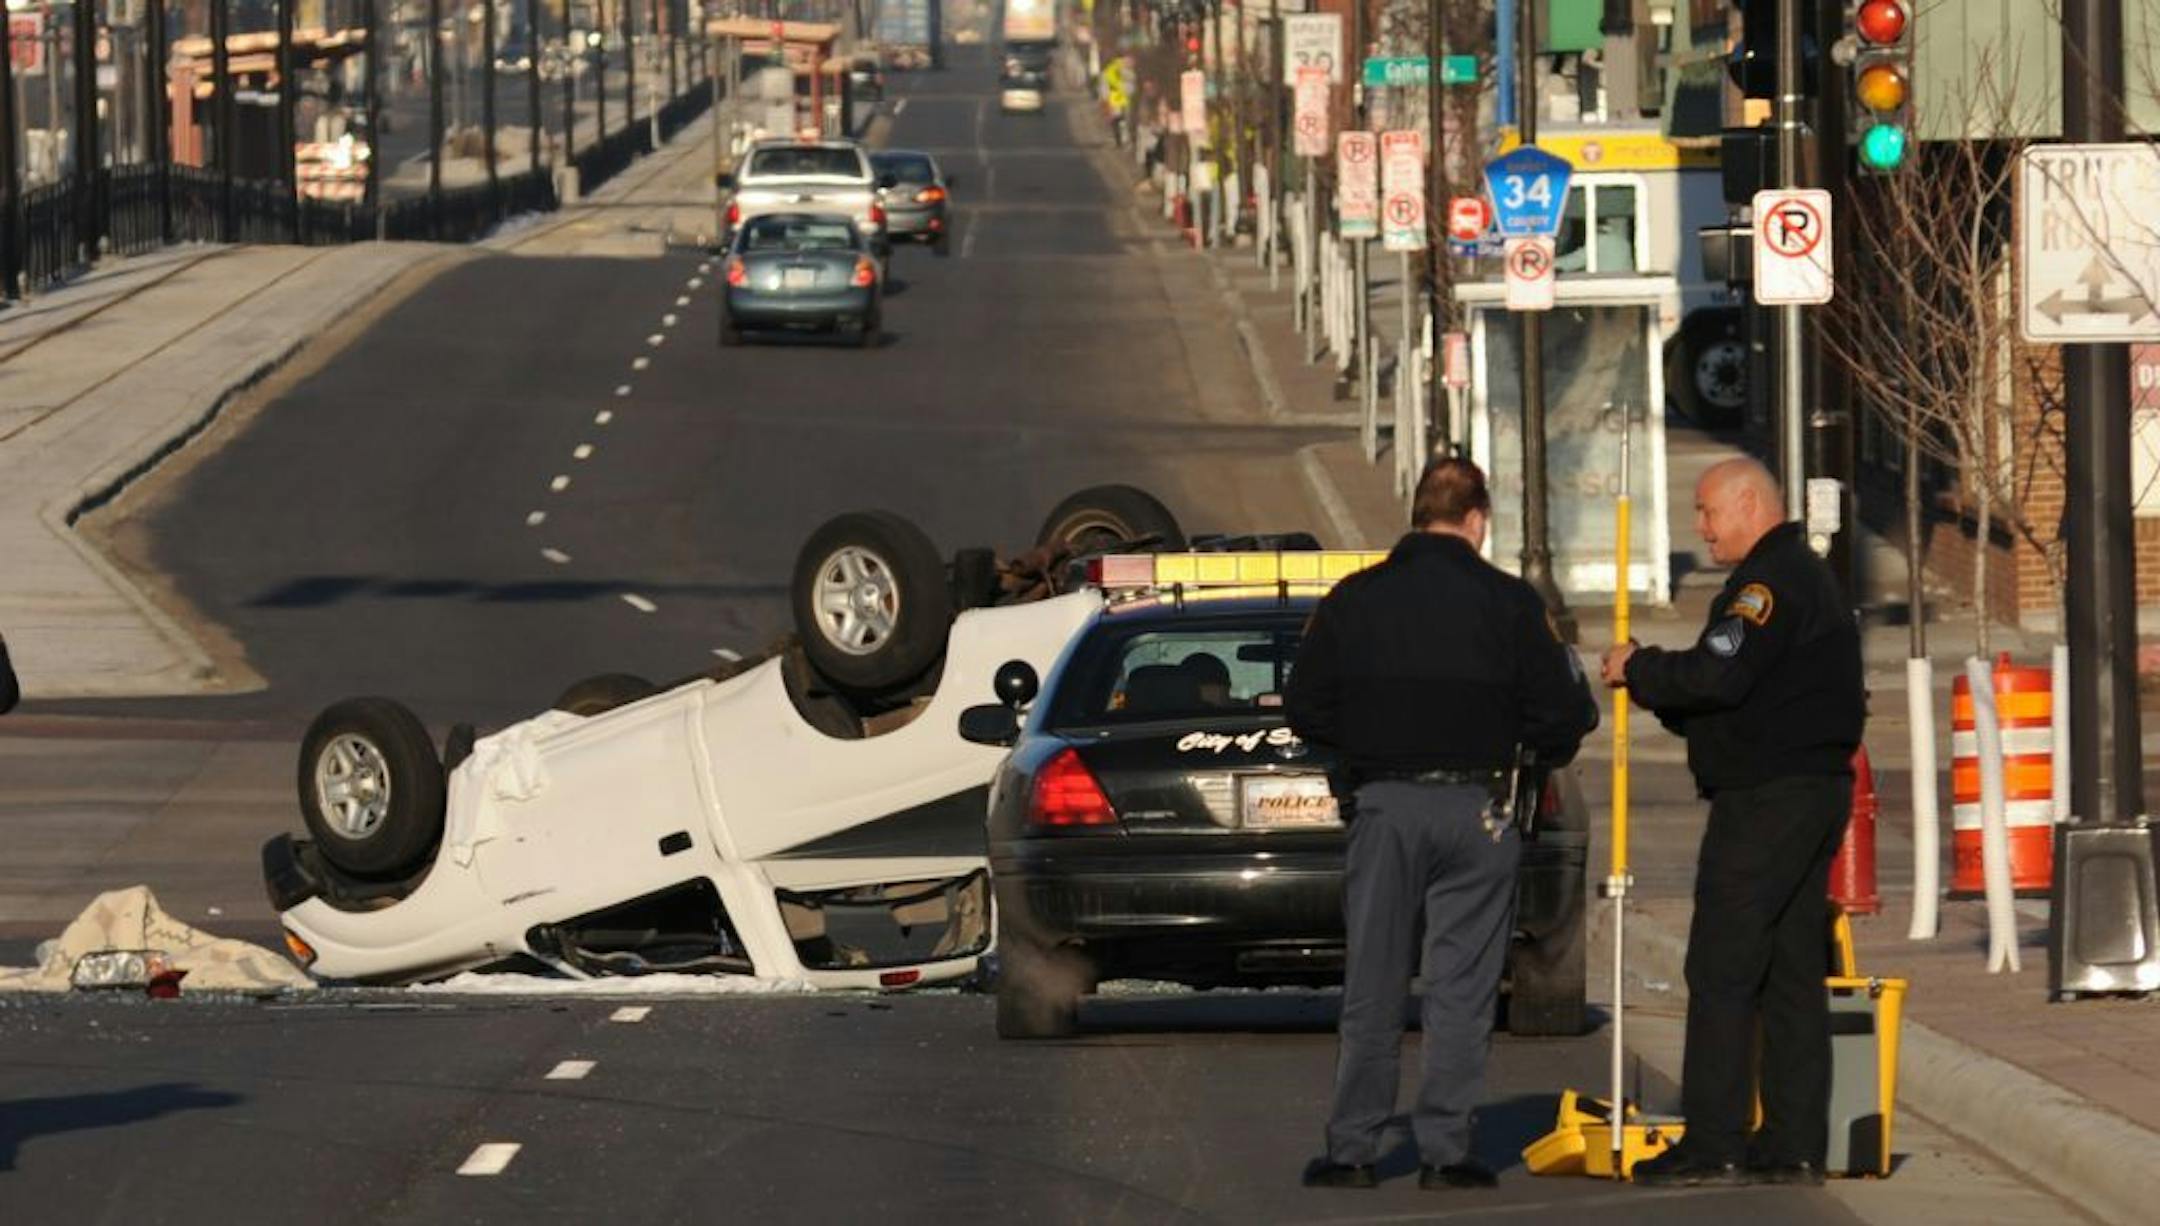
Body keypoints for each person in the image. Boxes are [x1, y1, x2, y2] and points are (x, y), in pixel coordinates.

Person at [1286, 458, 1598, 1192]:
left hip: (1385, 805)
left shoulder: (1354, 600)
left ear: (1416, 511)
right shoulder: (1511, 603)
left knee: (1375, 980)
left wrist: (1360, 747)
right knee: (1462, 987)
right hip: (1477, 808)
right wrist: (1529, 749)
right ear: (1477, 519)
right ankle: (1446, 1152)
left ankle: (1353, 1149)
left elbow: (1305, 705)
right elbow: (1563, 714)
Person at [1599, 457, 1864, 1188]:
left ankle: (1714, 1138)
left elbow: (1720, 674)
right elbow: (1733, 697)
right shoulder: (1803, 576)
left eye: (1708, 511)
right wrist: (1668, 692)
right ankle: (1793, 1142)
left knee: (1721, 963)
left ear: (1749, 503)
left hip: (1768, 799)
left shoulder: (1766, 586)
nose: (1701, 527)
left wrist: (1638, 668)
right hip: (1805, 789)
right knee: (1789, 969)